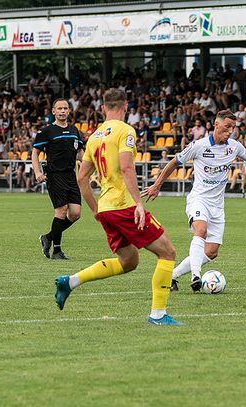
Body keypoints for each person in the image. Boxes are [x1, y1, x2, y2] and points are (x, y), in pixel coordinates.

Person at [53, 88, 180, 326]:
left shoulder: (94, 136)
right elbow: (126, 168)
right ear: (126, 107)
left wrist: (94, 209)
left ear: (103, 108)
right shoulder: (125, 131)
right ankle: (158, 315)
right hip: (124, 205)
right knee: (168, 252)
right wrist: (139, 204)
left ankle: (70, 282)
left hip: (106, 208)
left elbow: (81, 178)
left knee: (129, 262)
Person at [141, 110, 246, 292]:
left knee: (212, 252)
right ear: (216, 124)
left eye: (233, 128)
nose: (230, 131)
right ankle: (196, 276)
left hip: (217, 205)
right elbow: (174, 162)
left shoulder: (234, 147)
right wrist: (157, 185)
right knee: (201, 229)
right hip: (198, 199)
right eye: (227, 127)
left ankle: (172, 276)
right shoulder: (199, 145)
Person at [32, 99, 83, 259]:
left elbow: (81, 154)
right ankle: (57, 251)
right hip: (55, 175)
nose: (62, 111)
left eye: (65, 108)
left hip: (70, 176)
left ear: (69, 111)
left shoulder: (75, 130)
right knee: (61, 211)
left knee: (75, 213)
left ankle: (48, 237)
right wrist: (37, 172)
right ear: (53, 111)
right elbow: (35, 152)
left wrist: (94, 164)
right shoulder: (47, 131)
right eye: (59, 108)